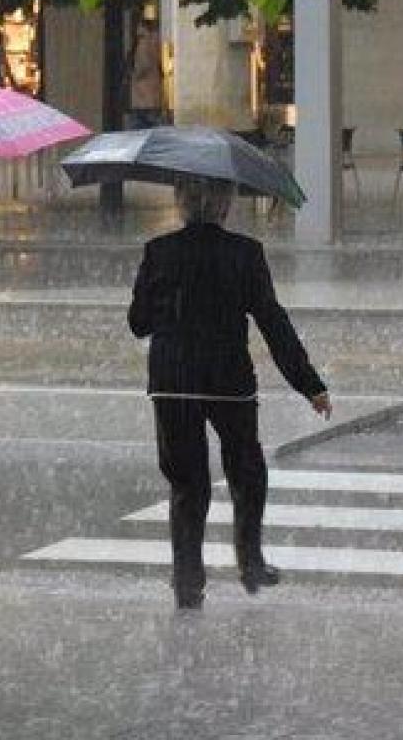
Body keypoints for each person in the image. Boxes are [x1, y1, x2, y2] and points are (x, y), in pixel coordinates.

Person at [128, 178, 331, 610]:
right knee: (246, 470)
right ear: (224, 207)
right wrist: (308, 383)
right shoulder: (245, 253)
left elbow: (138, 323)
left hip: (173, 382)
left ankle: (187, 581)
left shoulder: (158, 251)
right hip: (227, 381)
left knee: (187, 483)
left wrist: (172, 307)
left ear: (181, 204)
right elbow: (272, 322)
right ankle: (251, 561)